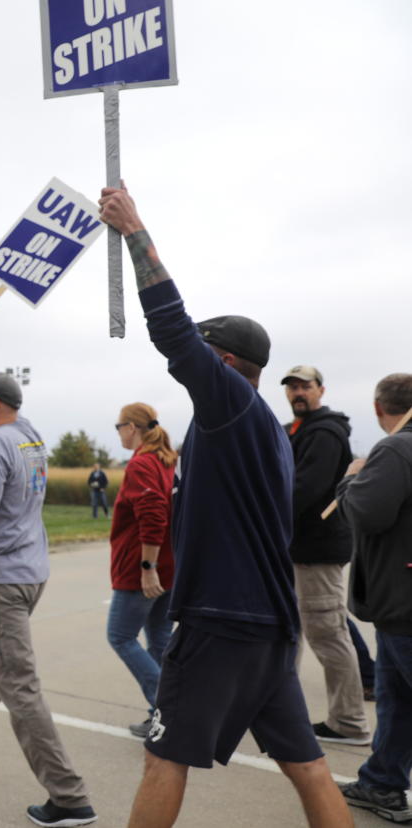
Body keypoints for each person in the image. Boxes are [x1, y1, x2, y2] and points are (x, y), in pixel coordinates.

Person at [99, 183, 351, 827]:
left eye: (205, 357)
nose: (192, 366)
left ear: (226, 361)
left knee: (164, 757)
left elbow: (170, 329)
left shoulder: (231, 403)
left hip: (221, 623)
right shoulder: (262, 426)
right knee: (308, 766)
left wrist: (134, 230)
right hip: (268, 624)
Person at [0, 334, 98, 828]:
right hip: (31, 574)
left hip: (0, 582)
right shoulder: (27, 433)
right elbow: (2, 391)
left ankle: (69, 795)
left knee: (17, 686)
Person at [335, 373, 412, 824]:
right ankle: (381, 781)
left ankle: (381, 781)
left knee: (400, 692)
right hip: (397, 600)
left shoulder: (396, 448)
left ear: (379, 407)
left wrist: (349, 483)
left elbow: (367, 511)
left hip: (403, 600)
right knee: (395, 697)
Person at [281, 364, 370, 746]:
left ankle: (349, 722)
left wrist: (264, 516)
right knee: (292, 631)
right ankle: (281, 709)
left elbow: (304, 489)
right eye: (292, 387)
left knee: (328, 634)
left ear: (321, 389)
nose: (298, 392)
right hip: (299, 548)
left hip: (316, 551)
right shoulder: (297, 430)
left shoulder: (325, 432)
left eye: (305, 386)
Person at [108, 403, 175, 738]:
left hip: (143, 568)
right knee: (160, 640)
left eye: (118, 426)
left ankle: (168, 709)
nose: (118, 432)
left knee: (120, 636)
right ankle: (162, 713)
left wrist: (148, 567)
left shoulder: (143, 464)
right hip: (168, 566)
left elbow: (153, 514)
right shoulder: (166, 461)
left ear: (131, 428)